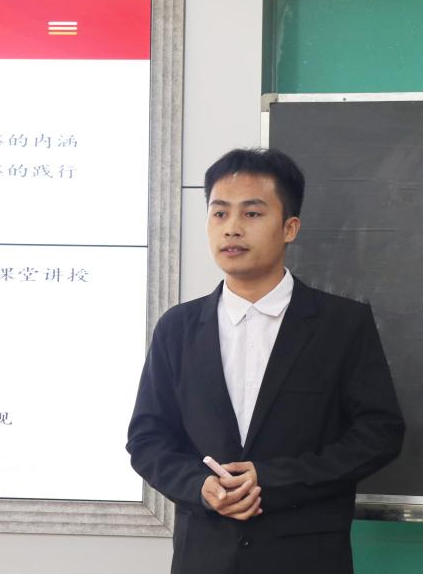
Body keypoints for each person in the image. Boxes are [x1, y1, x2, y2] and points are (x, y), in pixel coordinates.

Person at [126, 148, 405, 574]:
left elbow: (378, 434)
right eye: (220, 213)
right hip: (204, 557)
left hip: (306, 558)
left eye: (252, 213)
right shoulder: (177, 327)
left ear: (289, 227)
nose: (232, 228)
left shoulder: (341, 324)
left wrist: (272, 480)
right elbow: (148, 439)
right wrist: (200, 487)